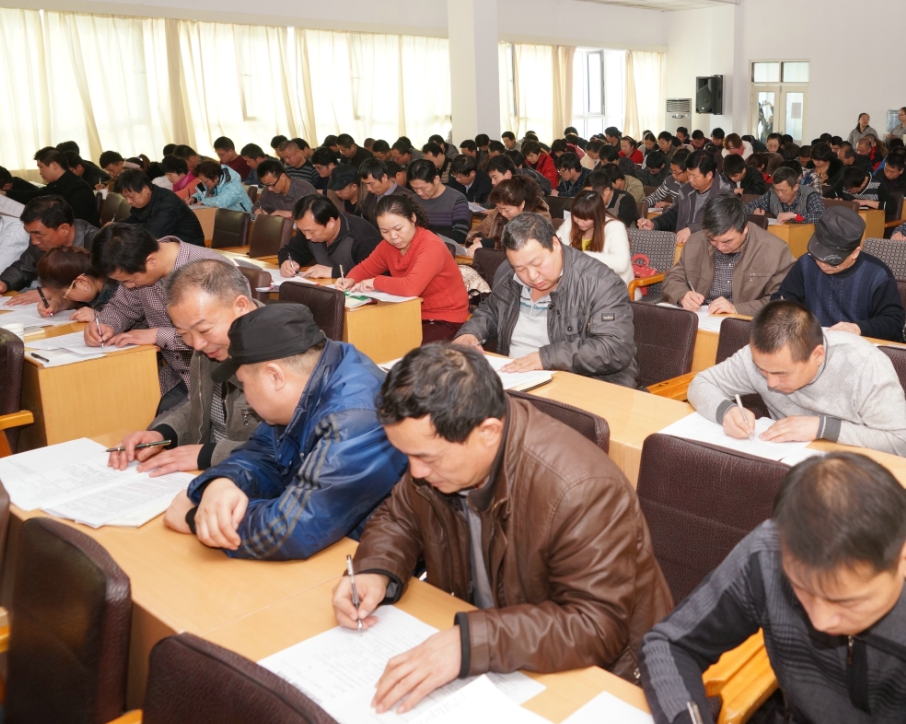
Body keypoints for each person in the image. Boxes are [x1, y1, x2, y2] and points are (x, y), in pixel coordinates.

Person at [337, 345, 671, 708]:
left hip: (602, 678)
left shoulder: (581, 491)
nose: (415, 471)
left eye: (425, 457)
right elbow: (400, 517)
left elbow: (595, 626)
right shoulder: (442, 457)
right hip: (501, 646)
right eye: (407, 455)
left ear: (489, 432)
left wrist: (470, 643)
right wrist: (376, 570)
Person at [639, 451, 906, 724]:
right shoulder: (769, 553)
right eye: (802, 590)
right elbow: (671, 644)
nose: (821, 619)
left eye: (846, 601)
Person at [162, 303, 407, 560]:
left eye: (244, 384)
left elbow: (292, 529)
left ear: (275, 377)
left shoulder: (354, 420)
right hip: (337, 545)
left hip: (366, 559)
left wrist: (198, 519)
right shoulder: (313, 374)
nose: (247, 397)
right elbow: (262, 453)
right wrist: (221, 483)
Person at [693, 299, 906, 456]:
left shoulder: (865, 364)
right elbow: (700, 383)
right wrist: (726, 411)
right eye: (763, 371)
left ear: (817, 355)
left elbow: (902, 445)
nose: (770, 383)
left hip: (871, 474)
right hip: (798, 463)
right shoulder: (759, 358)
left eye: (781, 373)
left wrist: (822, 427)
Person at [108, 260, 264, 474]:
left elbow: (286, 449)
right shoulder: (212, 345)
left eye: (204, 330)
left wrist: (208, 455)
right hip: (208, 469)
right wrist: (161, 434)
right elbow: (198, 403)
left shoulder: (286, 356)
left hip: (246, 476)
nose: (197, 344)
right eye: (183, 334)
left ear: (241, 306)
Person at [454, 213, 639, 387]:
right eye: (520, 268)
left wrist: (546, 358)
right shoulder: (509, 275)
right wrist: (469, 334)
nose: (532, 276)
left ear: (555, 244)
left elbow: (615, 348)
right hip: (514, 380)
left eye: (537, 264)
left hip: (581, 385)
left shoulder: (601, 283)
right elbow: (490, 311)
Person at [85, 224, 231, 408]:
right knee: (114, 404)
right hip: (176, 375)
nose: (129, 286)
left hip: (215, 381)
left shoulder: (209, 271)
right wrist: (106, 324)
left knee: (144, 418)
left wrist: (157, 335)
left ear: (151, 261)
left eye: (130, 280)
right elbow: (122, 307)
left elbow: (223, 335)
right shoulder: (138, 264)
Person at [334, 195, 470, 344]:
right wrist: (350, 279)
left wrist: (375, 282)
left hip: (445, 318)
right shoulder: (388, 246)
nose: (393, 237)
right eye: (384, 231)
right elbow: (366, 268)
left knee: (404, 350)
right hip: (409, 312)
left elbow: (411, 287)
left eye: (398, 229)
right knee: (370, 338)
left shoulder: (431, 246)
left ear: (413, 218)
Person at [770, 204, 904, 342]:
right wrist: (782, 311)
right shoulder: (806, 263)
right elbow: (783, 298)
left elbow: (894, 322)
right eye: (818, 255)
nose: (822, 263)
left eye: (832, 260)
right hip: (813, 342)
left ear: (855, 253)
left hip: (858, 345)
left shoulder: (877, 275)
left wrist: (859, 328)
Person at [663, 195, 794, 317]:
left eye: (727, 241)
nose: (720, 247)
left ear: (745, 228)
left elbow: (784, 300)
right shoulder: (695, 242)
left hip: (745, 322)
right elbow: (673, 277)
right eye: (712, 240)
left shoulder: (775, 251)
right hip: (702, 317)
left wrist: (737, 309)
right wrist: (682, 295)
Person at [0, 196, 98, 303]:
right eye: (30, 234)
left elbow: (104, 292)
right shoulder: (39, 242)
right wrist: (4, 283)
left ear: (64, 229)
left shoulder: (97, 245)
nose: (34, 241)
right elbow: (23, 267)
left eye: (38, 235)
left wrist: (53, 292)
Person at [277, 194, 381, 280]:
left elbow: (377, 273)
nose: (307, 237)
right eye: (303, 231)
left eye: (312, 232)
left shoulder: (363, 237)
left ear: (330, 222)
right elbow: (290, 250)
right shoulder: (308, 229)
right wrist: (287, 262)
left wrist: (334, 272)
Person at [639, 151, 732, 243]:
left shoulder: (724, 193)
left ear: (709, 175)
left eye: (694, 176)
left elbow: (721, 223)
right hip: (683, 245)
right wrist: (654, 223)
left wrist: (691, 230)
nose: (690, 179)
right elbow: (673, 215)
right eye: (688, 174)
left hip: (710, 248)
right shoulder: (686, 190)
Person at [555, 190, 633, 284]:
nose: (580, 222)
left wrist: (582, 257)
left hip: (611, 285)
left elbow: (621, 263)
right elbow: (555, 244)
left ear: (597, 216)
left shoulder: (614, 227)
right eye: (576, 217)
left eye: (585, 219)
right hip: (581, 282)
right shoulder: (571, 222)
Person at [118, 169, 206, 246]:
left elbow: (153, 232)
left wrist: (122, 228)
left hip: (188, 250)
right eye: (125, 197)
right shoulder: (146, 200)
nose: (128, 201)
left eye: (131, 196)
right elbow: (135, 219)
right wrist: (115, 225)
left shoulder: (168, 203)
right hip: (168, 247)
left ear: (145, 189)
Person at [467, 176, 547, 254]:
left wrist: (490, 244)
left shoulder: (539, 216)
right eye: (499, 208)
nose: (503, 213)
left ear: (522, 204)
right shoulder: (497, 213)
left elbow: (530, 244)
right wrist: (477, 237)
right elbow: (477, 229)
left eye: (507, 210)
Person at [34, 246, 117, 320]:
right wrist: (57, 304)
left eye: (64, 294)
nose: (65, 298)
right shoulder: (92, 287)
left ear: (82, 282)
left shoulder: (118, 289)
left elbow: (124, 320)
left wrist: (101, 317)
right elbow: (75, 301)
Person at [406, 159, 471, 244]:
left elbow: (460, 235)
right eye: (414, 188)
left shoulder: (457, 199)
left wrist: (424, 235)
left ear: (436, 179)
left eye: (423, 188)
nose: (419, 193)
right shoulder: (412, 200)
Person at [33, 147, 98, 227]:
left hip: (82, 232)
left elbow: (74, 218)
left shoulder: (79, 187)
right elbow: (38, 195)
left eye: (41, 167)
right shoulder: (57, 184)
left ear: (54, 165)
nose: (40, 172)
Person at [743, 166, 824, 222]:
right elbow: (745, 208)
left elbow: (820, 216)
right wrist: (754, 213)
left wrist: (794, 216)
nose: (779, 194)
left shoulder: (810, 195)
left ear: (795, 187)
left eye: (783, 191)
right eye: (776, 190)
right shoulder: (772, 194)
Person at [356, 159, 420, 223]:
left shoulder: (407, 196)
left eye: (371, 184)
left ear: (384, 177)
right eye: (365, 184)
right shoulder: (371, 195)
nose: (368, 189)